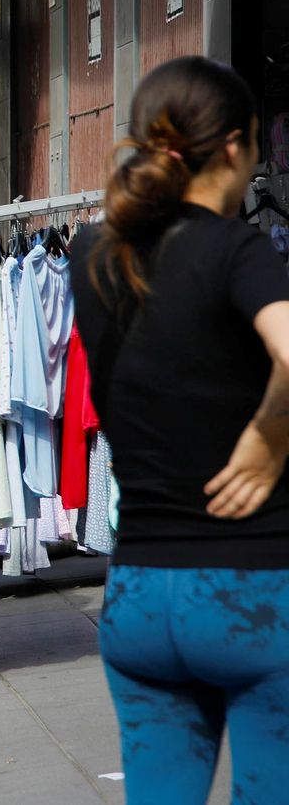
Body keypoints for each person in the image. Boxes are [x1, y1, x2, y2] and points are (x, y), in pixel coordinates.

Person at [71, 57, 289, 804]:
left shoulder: (94, 253)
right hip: (255, 592)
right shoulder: (236, 249)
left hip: (138, 599)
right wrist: (270, 432)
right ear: (234, 148)